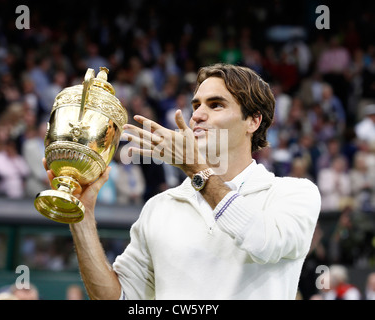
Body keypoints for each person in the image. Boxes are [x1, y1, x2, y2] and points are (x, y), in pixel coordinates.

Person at [43, 63, 321, 300]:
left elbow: (263, 243)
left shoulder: (293, 193)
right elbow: (118, 297)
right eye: (196, 105)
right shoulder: (160, 207)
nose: (198, 115)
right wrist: (82, 216)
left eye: (216, 105)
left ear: (253, 121)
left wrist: (198, 171)